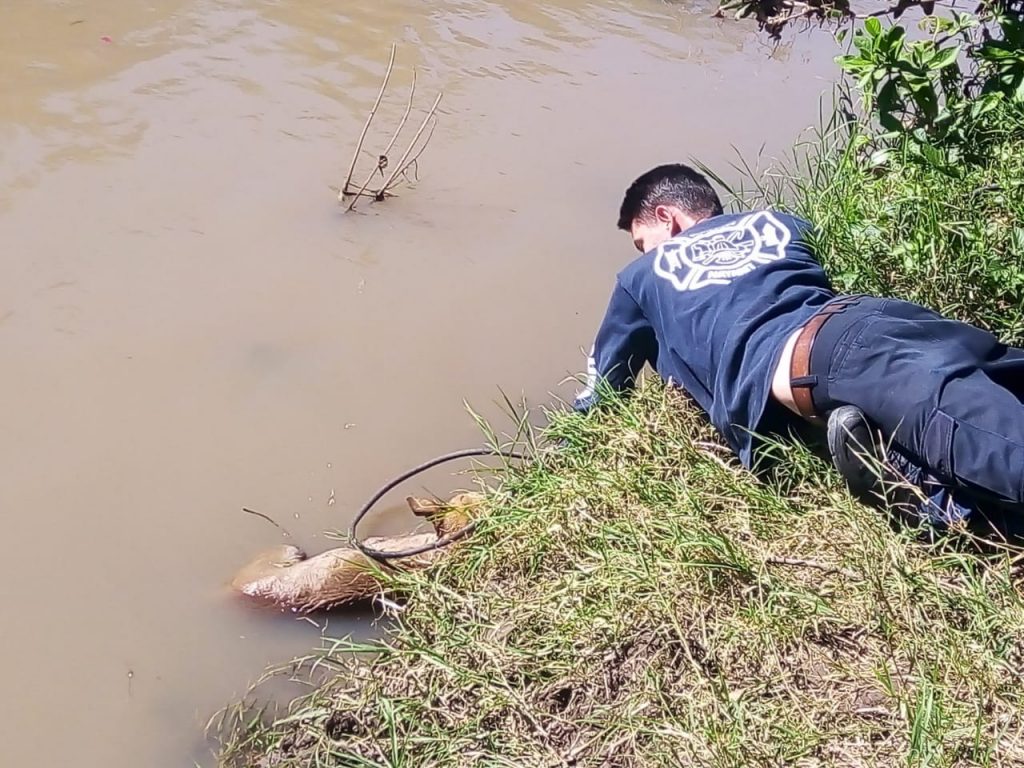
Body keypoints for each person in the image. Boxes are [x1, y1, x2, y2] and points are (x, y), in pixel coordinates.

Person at [573, 163, 1024, 524]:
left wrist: (569, 447)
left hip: (825, 357)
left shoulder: (640, 277)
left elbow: (602, 389)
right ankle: (913, 482)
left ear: (666, 218)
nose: (644, 253)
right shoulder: (783, 223)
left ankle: (916, 490)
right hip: (885, 316)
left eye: (642, 242)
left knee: (1005, 452)